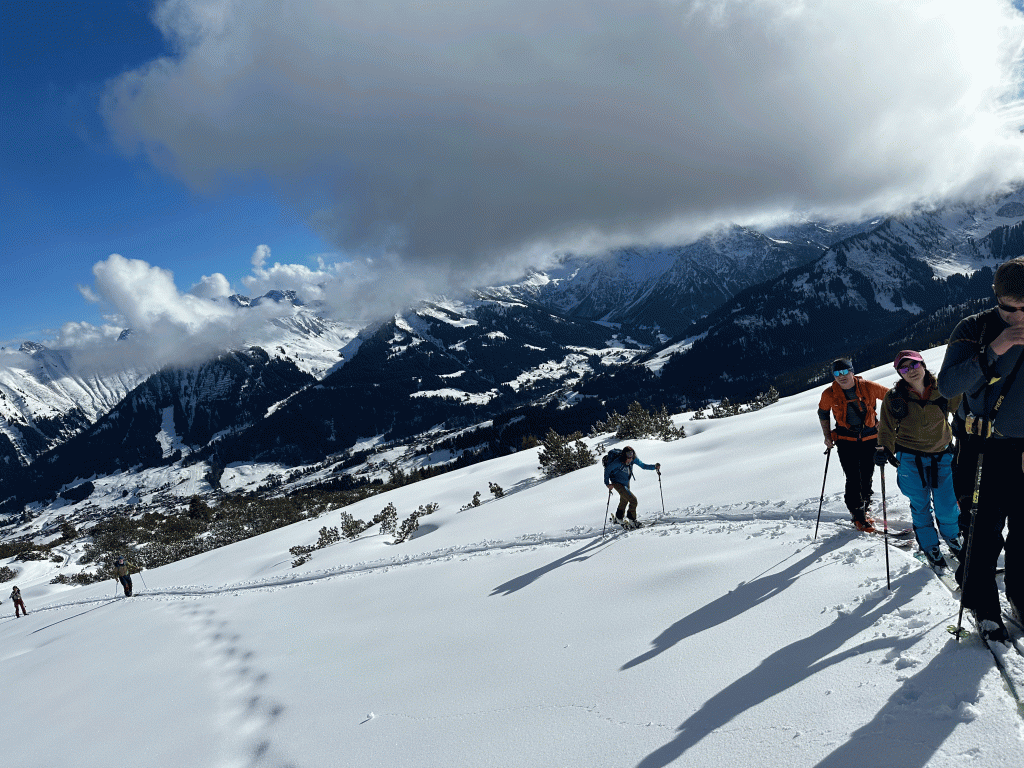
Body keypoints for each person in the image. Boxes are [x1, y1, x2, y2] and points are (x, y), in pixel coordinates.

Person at [938, 256, 1024, 643]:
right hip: (982, 448)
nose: (1019, 315)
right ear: (996, 298)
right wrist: (996, 348)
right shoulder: (974, 329)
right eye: (1010, 307)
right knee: (982, 532)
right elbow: (948, 385)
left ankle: (1020, 597)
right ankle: (985, 608)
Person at [876, 350, 962, 566]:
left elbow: (961, 410)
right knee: (920, 504)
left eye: (913, 365)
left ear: (922, 365)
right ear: (899, 373)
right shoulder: (894, 397)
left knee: (948, 504)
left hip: (942, 455)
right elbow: (886, 428)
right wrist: (884, 449)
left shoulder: (943, 389)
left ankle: (952, 538)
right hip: (909, 458)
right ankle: (930, 546)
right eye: (904, 369)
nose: (911, 372)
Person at [818, 357, 889, 532]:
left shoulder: (868, 387)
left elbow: (891, 397)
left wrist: (885, 423)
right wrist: (827, 436)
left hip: (870, 438)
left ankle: (865, 503)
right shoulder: (829, 394)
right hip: (845, 441)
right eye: (837, 373)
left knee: (867, 474)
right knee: (853, 477)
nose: (841, 376)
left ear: (852, 371)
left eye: (845, 372)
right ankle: (857, 514)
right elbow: (823, 413)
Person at [603, 445, 661, 529]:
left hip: (626, 482)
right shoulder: (617, 462)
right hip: (616, 483)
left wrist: (654, 467)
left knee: (624, 500)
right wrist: (607, 483)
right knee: (633, 500)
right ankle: (632, 520)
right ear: (624, 455)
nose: (630, 458)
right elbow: (608, 470)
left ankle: (619, 517)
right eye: (629, 456)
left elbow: (643, 466)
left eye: (632, 455)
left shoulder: (633, 459)